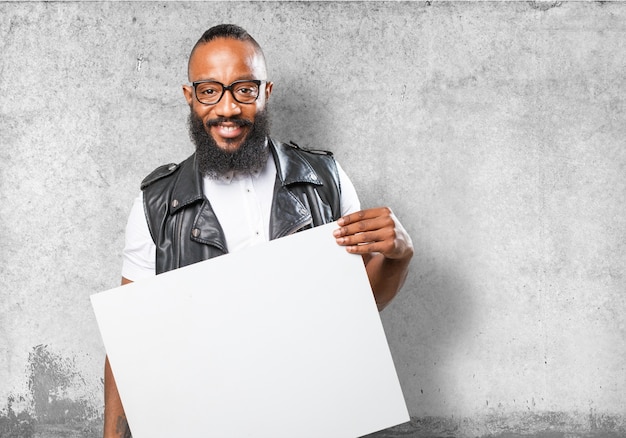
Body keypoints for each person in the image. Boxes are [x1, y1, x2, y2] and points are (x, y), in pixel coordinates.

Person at [103, 24, 414, 438]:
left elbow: (359, 307)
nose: (227, 108)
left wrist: (401, 255)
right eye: (209, 90)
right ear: (189, 96)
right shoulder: (156, 204)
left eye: (243, 89)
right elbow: (130, 346)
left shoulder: (325, 179)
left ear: (266, 91)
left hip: (313, 417)